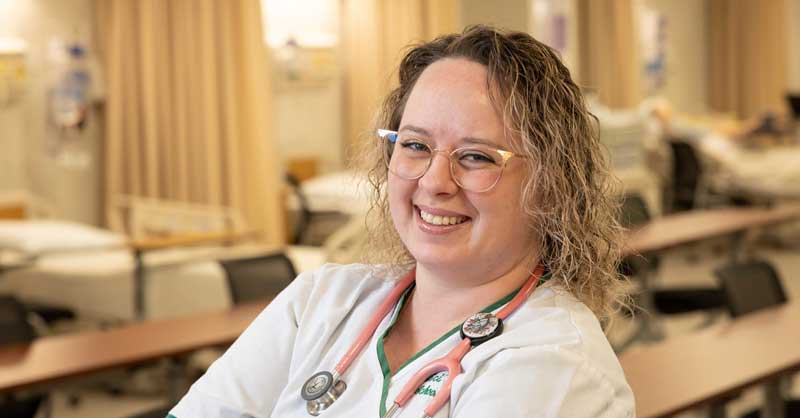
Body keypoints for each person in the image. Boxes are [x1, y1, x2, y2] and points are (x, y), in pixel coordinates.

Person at [169, 25, 635, 418]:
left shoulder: (555, 362)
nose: (435, 182)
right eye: (414, 145)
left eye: (475, 157)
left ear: (551, 183)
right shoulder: (319, 302)